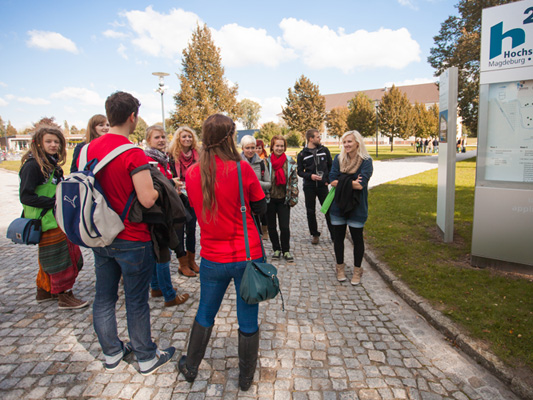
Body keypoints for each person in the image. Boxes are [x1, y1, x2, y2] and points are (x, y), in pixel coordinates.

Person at [87, 91, 174, 375]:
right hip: (131, 236)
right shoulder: (131, 153)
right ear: (132, 117)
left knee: (104, 297)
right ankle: (146, 357)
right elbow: (147, 198)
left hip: (100, 234)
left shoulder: (86, 150)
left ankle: (111, 353)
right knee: (136, 300)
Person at [178, 114, 266, 391]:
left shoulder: (192, 172)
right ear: (230, 137)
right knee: (248, 316)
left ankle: (191, 367)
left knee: (206, 311)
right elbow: (261, 206)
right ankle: (245, 377)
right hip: (246, 255)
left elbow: (196, 209)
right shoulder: (242, 168)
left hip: (213, 257)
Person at [19, 126, 88, 309]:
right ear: (39, 143)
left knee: (50, 258)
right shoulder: (33, 166)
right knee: (61, 258)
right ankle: (64, 295)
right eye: (49, 141)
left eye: (56, 142)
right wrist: (54, 202)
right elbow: (25, 196)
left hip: (55, 218)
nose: (53, 145)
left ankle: (44, 290)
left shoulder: (51, 164)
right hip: (46, 220)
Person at [144, 125, 190, 307]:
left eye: (163, 137)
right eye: (157, 137)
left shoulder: (162, 159)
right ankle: (169, 295)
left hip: (164, 210)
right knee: (163, 254)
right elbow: (153, 185)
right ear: (149, 140)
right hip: (157, 213)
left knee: (159, 251)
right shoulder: (149, 161)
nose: (162, 140)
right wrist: (171, 184)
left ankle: (156, 287)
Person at [329, 130, 373, 286]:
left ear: (357, 143)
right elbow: (331, 179)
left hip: (357, 206)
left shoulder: (366, 161)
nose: (346, 144)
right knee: (338, 238)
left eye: (349, 141)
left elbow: (361, 185)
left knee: (357, 239)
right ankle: (339, 267)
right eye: (344, 142)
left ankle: (357, 270)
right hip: (338, 205)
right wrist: (351, 181)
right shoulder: (338, 159)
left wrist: (343, 179)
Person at [168, 126, 199, 277]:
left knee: (192, 228)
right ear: (178, 139)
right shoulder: (171, 155)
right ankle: (183, 263)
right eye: (184, 136)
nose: (187, 139)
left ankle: (192, 260)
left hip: (193, 195)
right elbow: (167, 175)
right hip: (177, 196)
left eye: (189, 136)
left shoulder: (198, 155)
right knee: (179, 229)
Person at [297, 128, 334, 245]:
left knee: (328, 209)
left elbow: (331, 166)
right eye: (317, 136)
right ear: (310, 139)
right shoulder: (302, 154)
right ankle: (315, 234)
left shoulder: (324, 150)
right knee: (310, 211)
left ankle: (334, 235)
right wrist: (310, 176)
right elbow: (300, 171)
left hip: (323, 186)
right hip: (309, 186)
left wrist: (328, 180)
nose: (320, 138)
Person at [265, 135, 298, 262]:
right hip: (270, 199)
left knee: (284, 227)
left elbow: (294, 180)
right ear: (272, 146)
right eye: (277, 145)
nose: (279, 148)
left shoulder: (290, 162)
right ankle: (276, 249)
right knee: (271, 226)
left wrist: (293, 196)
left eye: (282, 146)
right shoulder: (266, 162)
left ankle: (286, 250)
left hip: (284, 199)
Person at [240, 135, 271, 239]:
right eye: (247, 148)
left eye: (253, 147)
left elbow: (269, 184)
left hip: (256, 201)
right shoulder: (236, 163)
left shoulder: (261, 163)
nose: (250, 150)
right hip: (241, 201)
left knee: (255, 232)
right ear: (242, 148)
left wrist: (256, 183)